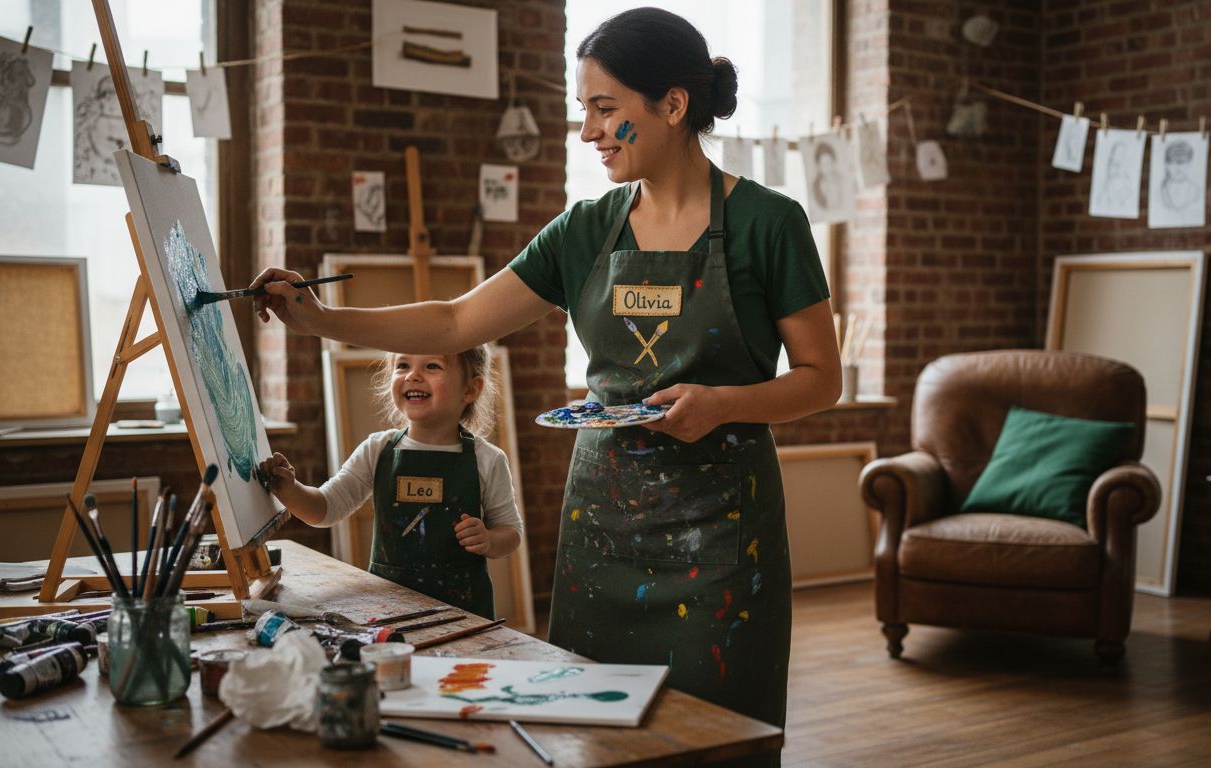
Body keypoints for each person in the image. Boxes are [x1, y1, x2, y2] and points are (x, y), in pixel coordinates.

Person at [249, 6, 841, 747]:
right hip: (605, 531)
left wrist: (722, 404)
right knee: (593, 734)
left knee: (719, 737)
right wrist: (320, 320)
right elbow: (454, 322)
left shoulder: (768, 224)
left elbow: (821, 380)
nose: (588, 131)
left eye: (604, 109)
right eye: (583, 112)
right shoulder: (584, 230)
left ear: (673, 105)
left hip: (723, 538)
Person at [256, 345, 521, 619]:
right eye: (403, 365)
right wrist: (290, 490)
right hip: (388, 608)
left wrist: (489, 540)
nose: (412, 376)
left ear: (470, 389)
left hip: (464, 612)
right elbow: (325, 508)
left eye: (432, 366)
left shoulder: (487, 459)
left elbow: (511, 533)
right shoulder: (377, 449)